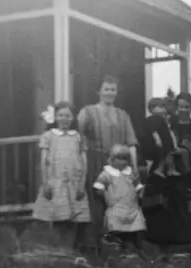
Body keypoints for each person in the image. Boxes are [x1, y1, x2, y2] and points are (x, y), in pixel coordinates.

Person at [142, 91, 191, 255]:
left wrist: (181, 165)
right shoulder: (166, 126)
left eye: (187, 107)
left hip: (187, 176)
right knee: (163, 211)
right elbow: (154, 145)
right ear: (176, 106)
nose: (183, 110)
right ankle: (162, 251)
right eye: (180, 106)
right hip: (165, 176)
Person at [78, 75, 139, 247]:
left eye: (113, 90)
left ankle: (118, 243)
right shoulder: (88, 112)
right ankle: (95, 244)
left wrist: (134, 167)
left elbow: (131, 143)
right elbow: (81, 140)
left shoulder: (123, 115)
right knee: (97, 201)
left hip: (118, 163)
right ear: (99, 91)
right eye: (106, 89)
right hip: (96, 160)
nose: (109, 93)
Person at [31, 101, 89, 248]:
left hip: (74, 183)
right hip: (55, 182)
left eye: (67, 115)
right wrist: (45, 184)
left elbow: (84, 162)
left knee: (73, 219)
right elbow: (43, 162)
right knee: (57, 218)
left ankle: (71, 250)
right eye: (61, 115)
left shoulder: (78, 137)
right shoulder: (49, 136)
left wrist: (82, 185)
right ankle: (58, 250)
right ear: (56, 117)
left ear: (72, 118)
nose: (64, 118)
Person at [92, 143, 146, 251]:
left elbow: (138, 187)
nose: (122, 162)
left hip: (132, 210)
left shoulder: (131, 173)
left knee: (133, 236)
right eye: (119, 158)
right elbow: (98, 187)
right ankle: (118, 254)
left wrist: (140, 193)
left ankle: (133, 254)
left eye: (124, 159)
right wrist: (101, 193)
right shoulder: (107, 174)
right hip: (116, 210)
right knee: (117, 236)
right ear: (112, 159)